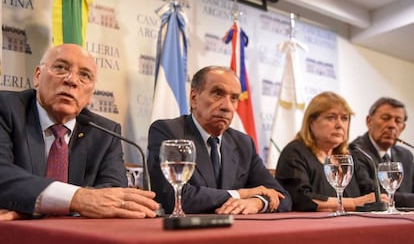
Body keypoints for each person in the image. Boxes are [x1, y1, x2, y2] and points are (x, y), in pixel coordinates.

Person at [0, 43, 159, 220]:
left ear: (91, 95)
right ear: (37, 76)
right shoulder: (6, 109)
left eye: (84, 75)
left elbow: (112, 191)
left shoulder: (105, 132)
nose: (72, 80)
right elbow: (3, 174)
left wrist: (35, 207)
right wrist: (78, 199)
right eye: (60, 68)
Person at [147, 66, 292, 214]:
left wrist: (258, 202)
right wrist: (241, 194)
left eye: (234, 98)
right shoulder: (168, 132)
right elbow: (173, 197)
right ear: (194, 98)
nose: (227, 107)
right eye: (217, 94)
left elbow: (283, 197)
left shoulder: (243, 143)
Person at [275, 91, 386, 212]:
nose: (339, 125)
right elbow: (301, 198)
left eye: (344, 118)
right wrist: (354, 203)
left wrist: (380, 198)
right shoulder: (295, 153)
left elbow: (369, 192)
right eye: (331, 117)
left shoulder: (350, 155)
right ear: (311, 122)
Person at [350, 97, 414, 207]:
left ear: (402, 128)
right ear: (369, 121)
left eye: (398, 121)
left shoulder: (405, 155)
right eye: (385, 118)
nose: (392, 125)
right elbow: (374, 195)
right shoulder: (356, 151)